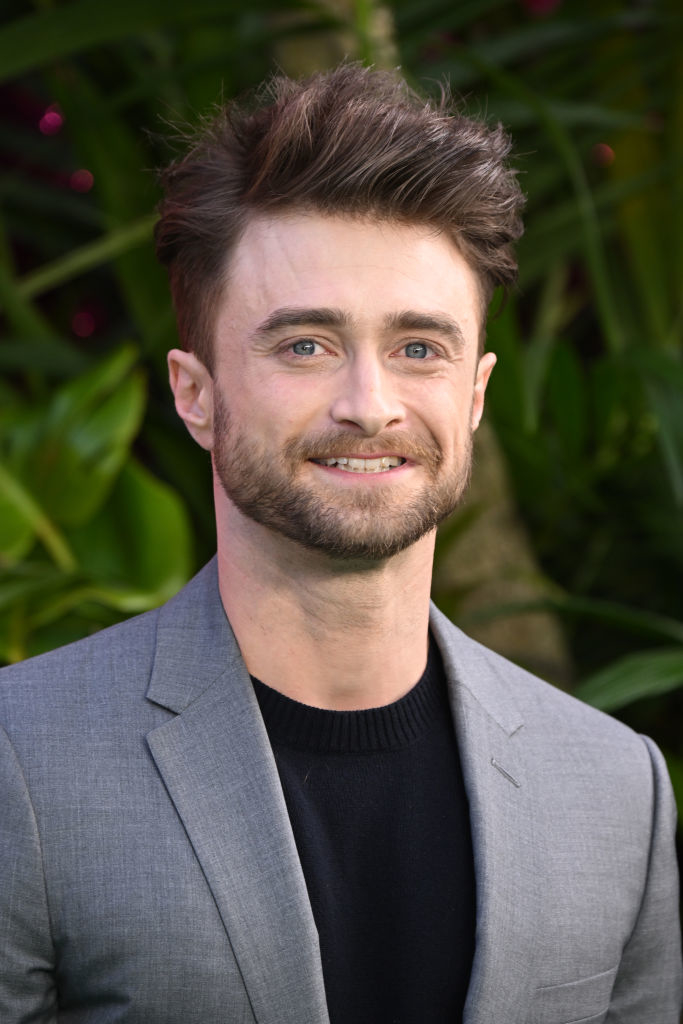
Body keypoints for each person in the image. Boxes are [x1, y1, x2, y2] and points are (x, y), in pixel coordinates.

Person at [0, 64, 680, 1024]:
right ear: (195, 395)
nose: (369, 405)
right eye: (305, 346)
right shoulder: (19, 759)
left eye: (418, 348)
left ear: (475, 394)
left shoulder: (616, 789)